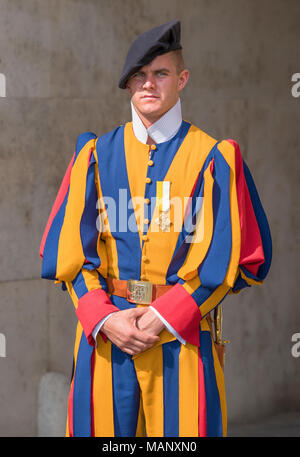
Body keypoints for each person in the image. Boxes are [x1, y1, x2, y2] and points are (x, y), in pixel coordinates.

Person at [39, 20, 272, 437]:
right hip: (106, 339)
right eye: (139, 76)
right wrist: (103, 319)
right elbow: (70, 255)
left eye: (160, 73)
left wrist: (162, 318)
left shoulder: (215, 158)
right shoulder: (93, 155)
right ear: (128, 85)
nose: (149, 84)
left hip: (181, 340)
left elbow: (227, 260)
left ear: (181, 79)